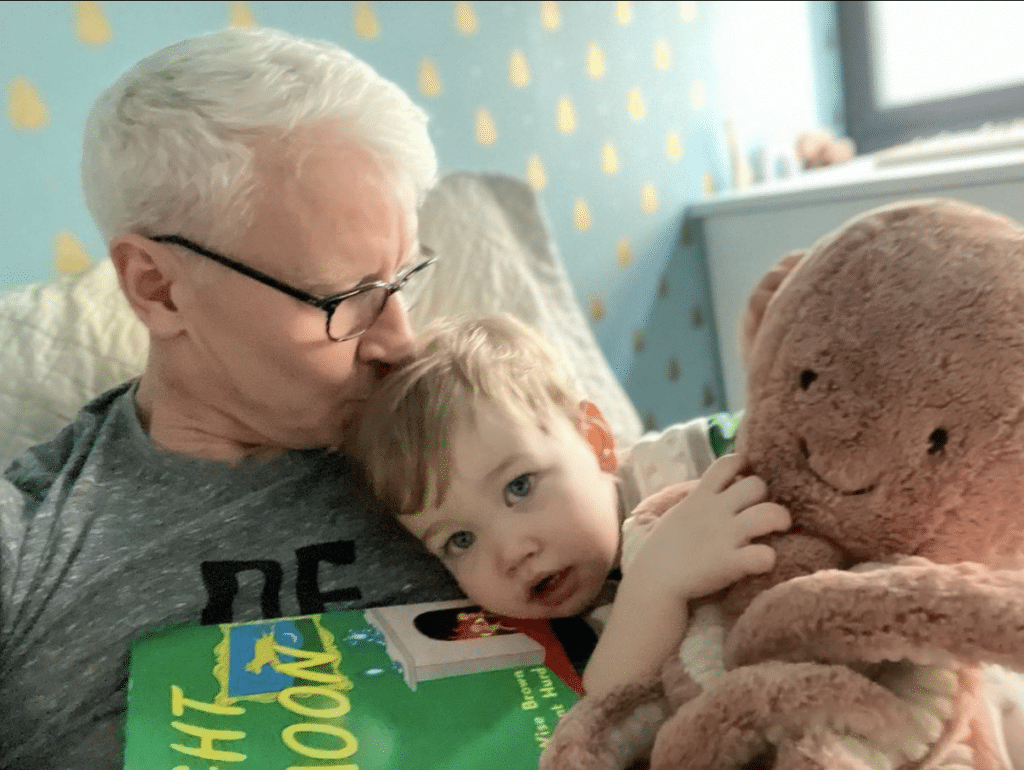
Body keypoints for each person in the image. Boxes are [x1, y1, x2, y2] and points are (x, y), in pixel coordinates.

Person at [0, 27, 466, 769]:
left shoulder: (468, 429)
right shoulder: (27, 548)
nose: (400, 344)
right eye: (347, 298)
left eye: (403, 280)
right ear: (157, 287)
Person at [351, 314, 791, 697]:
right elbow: (600, 709)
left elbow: (802, 439)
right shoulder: (556, 639)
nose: (511, 552)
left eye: (519, 487)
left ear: (595, 440)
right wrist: (657, 585)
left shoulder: (680, 465)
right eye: (460, 540)